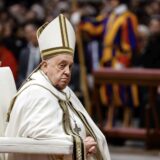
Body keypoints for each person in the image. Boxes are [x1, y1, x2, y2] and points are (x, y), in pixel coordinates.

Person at [5, 14, 110, 160]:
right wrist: (79, 145)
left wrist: (88, 141)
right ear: (44, 66)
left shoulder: (64, 91)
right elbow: (41, 135)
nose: (67, 72)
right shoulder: (35, 93)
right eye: (62, 65)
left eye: (70, 66)